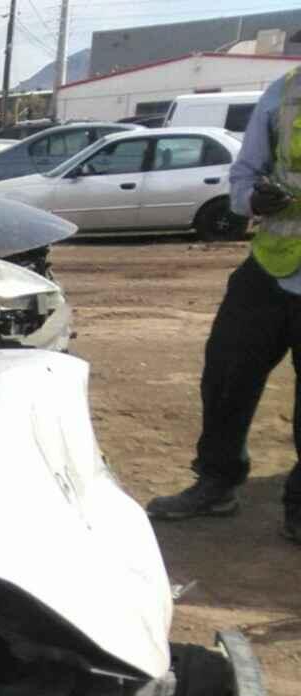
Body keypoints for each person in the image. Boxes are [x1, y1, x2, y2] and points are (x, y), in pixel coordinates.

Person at [147, 67, 301, 543]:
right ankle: (217, 482)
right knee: (227, 373)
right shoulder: (285, 92)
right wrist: (254, 199)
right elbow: (244, 176)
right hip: (273, 266)